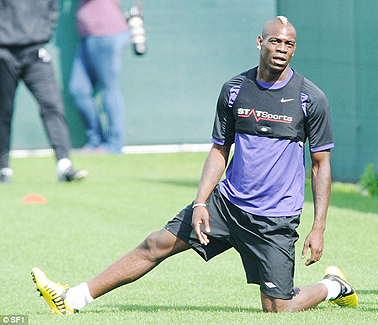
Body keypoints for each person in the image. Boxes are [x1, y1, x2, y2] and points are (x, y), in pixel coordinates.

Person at [32, 16, 358, 313]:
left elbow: (320, 165)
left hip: (273, 217)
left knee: (278, 308)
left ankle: (333, 286)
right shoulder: (234, 90)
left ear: (294, 49)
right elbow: (219, 150)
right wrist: (202, 201)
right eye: (275, 41)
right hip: (225, 205)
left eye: (289, 44)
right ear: (260, 42)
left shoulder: (309, 98)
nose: (281, 49)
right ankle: (72, 298)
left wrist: (319, 227)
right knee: (156, 243)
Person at [0, 0, 88, 183]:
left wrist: (45, 34)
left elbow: (52, 11)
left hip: (35, 53)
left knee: (52, 106)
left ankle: (64, 166)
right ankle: (2, 168)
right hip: (4, 53)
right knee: (3, 112)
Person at [69, 0, 130, 154]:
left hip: (106, 32)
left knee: (109, 89)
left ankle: (115, 144)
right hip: (88, 35)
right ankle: (95, 141)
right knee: (78, 90)